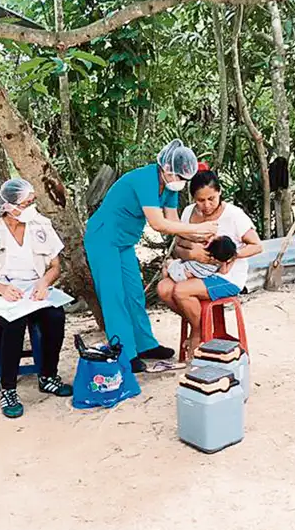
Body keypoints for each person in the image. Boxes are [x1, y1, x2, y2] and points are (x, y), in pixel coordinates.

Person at [84, 139, 217, 373]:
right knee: (114, 295)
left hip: (124, 241)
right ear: (166, 168)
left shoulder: (169, 186)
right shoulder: (145, 179)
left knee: (134, 292)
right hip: (103, 238)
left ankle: (145, 344)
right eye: (179, 177)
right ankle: (124, 352)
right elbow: (158, 224)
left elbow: (174, 222)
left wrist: (199, 239)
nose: (181, 183)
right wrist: (197, 230)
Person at [0, 178, 70, 418]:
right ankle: (8, 388)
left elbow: (55, 265)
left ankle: (48, 376)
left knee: (55, 316)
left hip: (34, 291)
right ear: (9, 206)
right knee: (14, 323)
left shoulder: (40, 224)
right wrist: (0, 289)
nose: (31, 207)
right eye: (26, 202)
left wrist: (44, 282)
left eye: (32, 201)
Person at [157, 168, 263, 358]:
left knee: (181, 291)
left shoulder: (234, 215)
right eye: (200, 200)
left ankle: (197, 334)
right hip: (195, 269)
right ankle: (199, 325)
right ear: (192, 198)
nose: (206, 205)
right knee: (164, 289)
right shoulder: (189, 213)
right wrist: (192, 255)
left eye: (211, 199)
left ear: (220, 192)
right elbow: (178, 246)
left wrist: (231, 256)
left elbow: (256, 246)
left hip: (226, 277)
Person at [163, 235, 237, 283]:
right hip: (187, 277)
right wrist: (231, 260)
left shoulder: (202, 254)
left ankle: (165, 277)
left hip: (179, 271)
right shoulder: (216, 264)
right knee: (188, 271)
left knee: (167, 263)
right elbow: (224, 271)